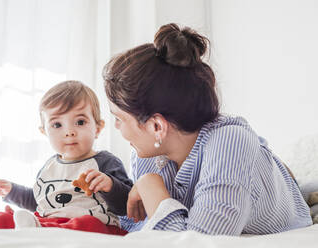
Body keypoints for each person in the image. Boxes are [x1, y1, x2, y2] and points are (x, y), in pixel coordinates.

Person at [102, 23, 313, 235]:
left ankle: (295, 182)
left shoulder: (230, 142)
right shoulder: (146, 153)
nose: (117, 127)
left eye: (119, 118)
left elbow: (200, 241)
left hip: (277, 195)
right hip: (232, 166)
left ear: (157, 126)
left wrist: (151, 187)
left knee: (295, 182)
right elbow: (142, 226)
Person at [0, 80, 132, 235]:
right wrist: (11, 191)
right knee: (7, 218)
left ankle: (37, 229)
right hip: (49, 223)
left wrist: (109, 185)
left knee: (87, 222)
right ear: (44, 132)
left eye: (80, 122)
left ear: (98, 128)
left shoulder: (106, 162)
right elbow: (38, 200)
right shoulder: (49, 166)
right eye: (57, 124)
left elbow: (126, 206)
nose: (69, 132)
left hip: (95, 228)